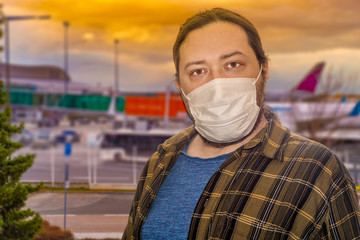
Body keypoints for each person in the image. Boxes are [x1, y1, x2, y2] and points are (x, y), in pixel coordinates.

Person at [122, 8, 360, 239]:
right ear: (180, 86)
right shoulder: (159, 162)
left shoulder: (319, 170)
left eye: (233, 65)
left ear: (263, 71)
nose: (217, 84)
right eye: (198, 71)